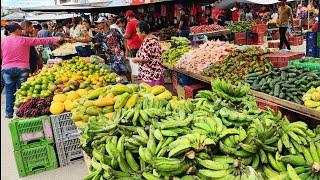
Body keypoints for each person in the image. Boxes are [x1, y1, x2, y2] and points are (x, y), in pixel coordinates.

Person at [1, 22, 63, 118]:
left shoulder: (3, 41)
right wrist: (56, 38)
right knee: (23, 91)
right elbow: (40, 41)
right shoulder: (23, 39)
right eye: (20, 29)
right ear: (17, 30)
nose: (21, 31)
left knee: (9, 91)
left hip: (6, 69)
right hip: (22, 69)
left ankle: (9, 114)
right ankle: (22, 112)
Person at [132, 21, 164, 86]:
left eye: (138, 31)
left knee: (151, 94)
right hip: (157, 73)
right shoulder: (154, 39)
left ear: (143, 32)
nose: (136, 33)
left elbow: (146, 59)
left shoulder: (147, 42)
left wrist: (135, 60)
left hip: (150, 76)